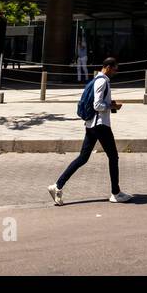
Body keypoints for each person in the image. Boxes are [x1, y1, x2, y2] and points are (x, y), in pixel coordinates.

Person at [48, 57, 131, 204]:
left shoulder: (98, 80)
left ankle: (57, 186)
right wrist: (113, 107)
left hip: (91, 125)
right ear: (108, 67)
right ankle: (115, 193)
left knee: (83, 158)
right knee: (113, 157)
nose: (116, 72)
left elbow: (99, 103)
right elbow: (97, 105)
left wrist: (109, 104)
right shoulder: (102, 81)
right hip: (100, 125)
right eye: (115, 69)